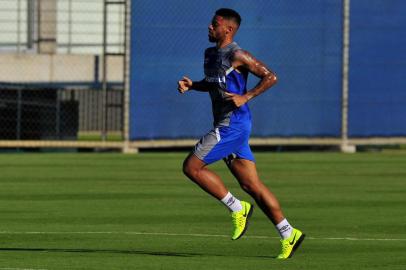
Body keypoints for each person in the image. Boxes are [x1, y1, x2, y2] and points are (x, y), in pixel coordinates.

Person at [177, 8, 305, 259]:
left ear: (228, 29)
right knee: (251, 184)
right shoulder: (210, 54)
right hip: (230, 123)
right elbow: (213, 84)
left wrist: (247, 95)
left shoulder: (238, 54)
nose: (209, 27)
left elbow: (271, 76)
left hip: (232, 125)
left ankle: (238, 208)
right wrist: (193, 85)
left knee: (191, 167)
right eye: (211, 23)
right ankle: (288, 233)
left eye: (214, 24)